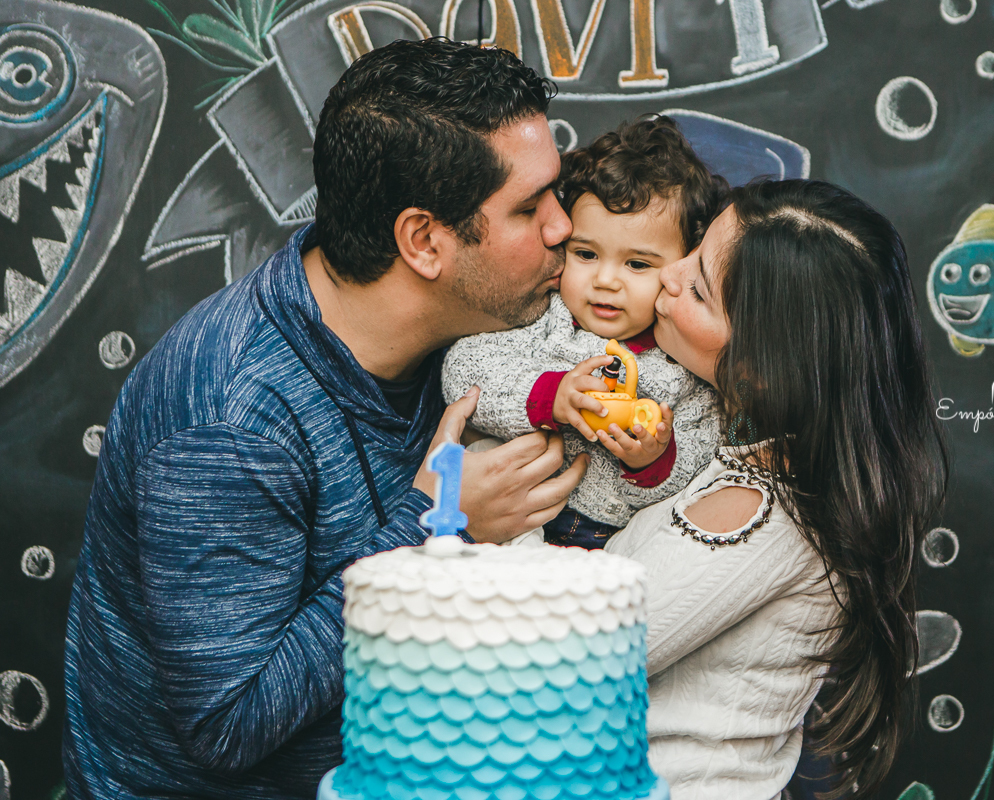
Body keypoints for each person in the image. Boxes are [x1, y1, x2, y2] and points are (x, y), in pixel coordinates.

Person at [63, 40, 589, 799]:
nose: (563, 227)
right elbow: (226, 725)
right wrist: (441, 526)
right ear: (424, 241)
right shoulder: (231, 419)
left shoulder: (477, 334)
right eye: (529, 208)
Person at [606, 179, 948, 799]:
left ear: (760, 370)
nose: (667, 275)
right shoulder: (782, 471)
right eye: (694, 249)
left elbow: (568, 660)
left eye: (699, 289)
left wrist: (473, 519)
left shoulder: (757, 516)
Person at [442, 117, 726, 548]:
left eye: (637, 264)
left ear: (682, 267)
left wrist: (652, 458)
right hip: (508, 525)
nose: (605, 281)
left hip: (606, 541)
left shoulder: (684, 362)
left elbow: (698, 461)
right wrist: (550, 395)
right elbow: (464, 372)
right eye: (587, 254)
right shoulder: (545, 315)